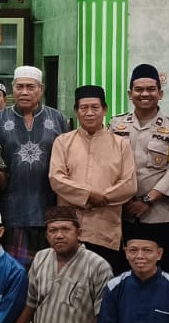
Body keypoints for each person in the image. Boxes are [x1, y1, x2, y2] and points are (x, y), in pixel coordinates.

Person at [0, 208, 110, 323]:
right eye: (53, 230)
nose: (59, 235)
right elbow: (30, 303)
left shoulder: (98, 266)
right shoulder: (41, 257)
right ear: (47, 235)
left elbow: (103, 316)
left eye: (65, 229)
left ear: (79, 233)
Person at [49, 85, 137, 275]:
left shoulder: (121, 144)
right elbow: (56, 178)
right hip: (69, 230)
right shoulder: (63, 142)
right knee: (69, 284)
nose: (89, 113)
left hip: (105, 229)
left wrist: (102, 197)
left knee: (105, 283)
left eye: (95, 107)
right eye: (84, 108)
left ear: (105, 110)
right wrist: (88, 195)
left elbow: (129, 184)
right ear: (76, 111)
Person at [112, 63, 169, 274]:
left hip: (160, 215)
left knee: (163, 273)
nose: (144, 94)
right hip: (124, 214)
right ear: (130, 94)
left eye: (150, 89)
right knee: (124, 272)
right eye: (139, 89)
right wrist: (123, 199)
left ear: (160, 93)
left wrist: (148, 200)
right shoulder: (115, 125)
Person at [0, 65, 67, 266]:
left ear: (41, 89)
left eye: (30, 87)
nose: (24, 92)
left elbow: (68, 162)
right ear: (12, 89)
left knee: (48, 270)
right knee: (16, 272)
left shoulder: (57, 118)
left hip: (48, 209)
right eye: (19, 87)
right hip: (12, 210)